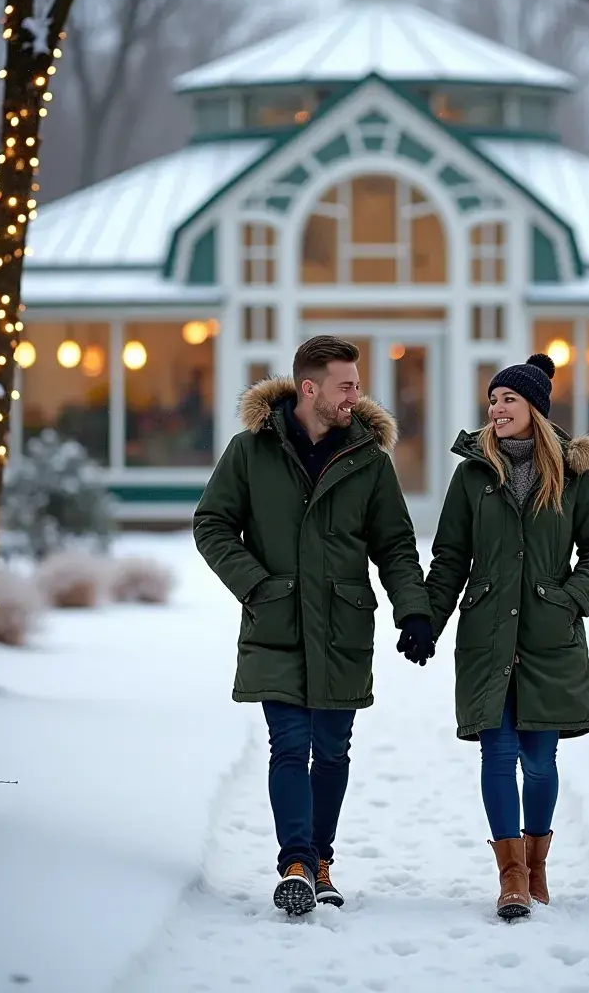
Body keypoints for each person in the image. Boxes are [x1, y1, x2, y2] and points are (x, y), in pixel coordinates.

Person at [193, 336, 434, 916]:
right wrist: (256, 585)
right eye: (345, 384)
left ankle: (321, 857)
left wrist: (415, 610)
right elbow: (212, 524)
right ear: (310, 388)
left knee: (331, 751)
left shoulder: (370, 461)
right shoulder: (251, 451)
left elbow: (396, 545)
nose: (356, 395)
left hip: (342, 626)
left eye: (357, 384)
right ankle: (296, 861)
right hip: (275, 622)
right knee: (288, 745)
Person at [422, 353, 589, 920]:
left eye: (509, 399)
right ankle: (510, 878)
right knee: (497, 750)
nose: (497, 408)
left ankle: (537, 868)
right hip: (486, 636)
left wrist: (571, 599)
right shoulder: (473, 475)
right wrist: (427, 622)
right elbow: (450, 556)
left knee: (538, 757)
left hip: (548, 637)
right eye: (493, 400)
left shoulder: (574, 478)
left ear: (534, 409)